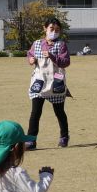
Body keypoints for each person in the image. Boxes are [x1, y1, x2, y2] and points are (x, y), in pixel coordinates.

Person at [25, 17, 71, 150]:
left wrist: (52, 56)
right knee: (35, 112)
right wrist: (31, 59)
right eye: (51, 29)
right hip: (39, 80)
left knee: (59, 111)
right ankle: (31, 140)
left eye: (57, 30)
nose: (54, 32)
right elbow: (29, 55)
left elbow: (66, 62)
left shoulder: (61, 45)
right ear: (45, 28)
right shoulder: (37, 43)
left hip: (56, 80)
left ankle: (64, 137)